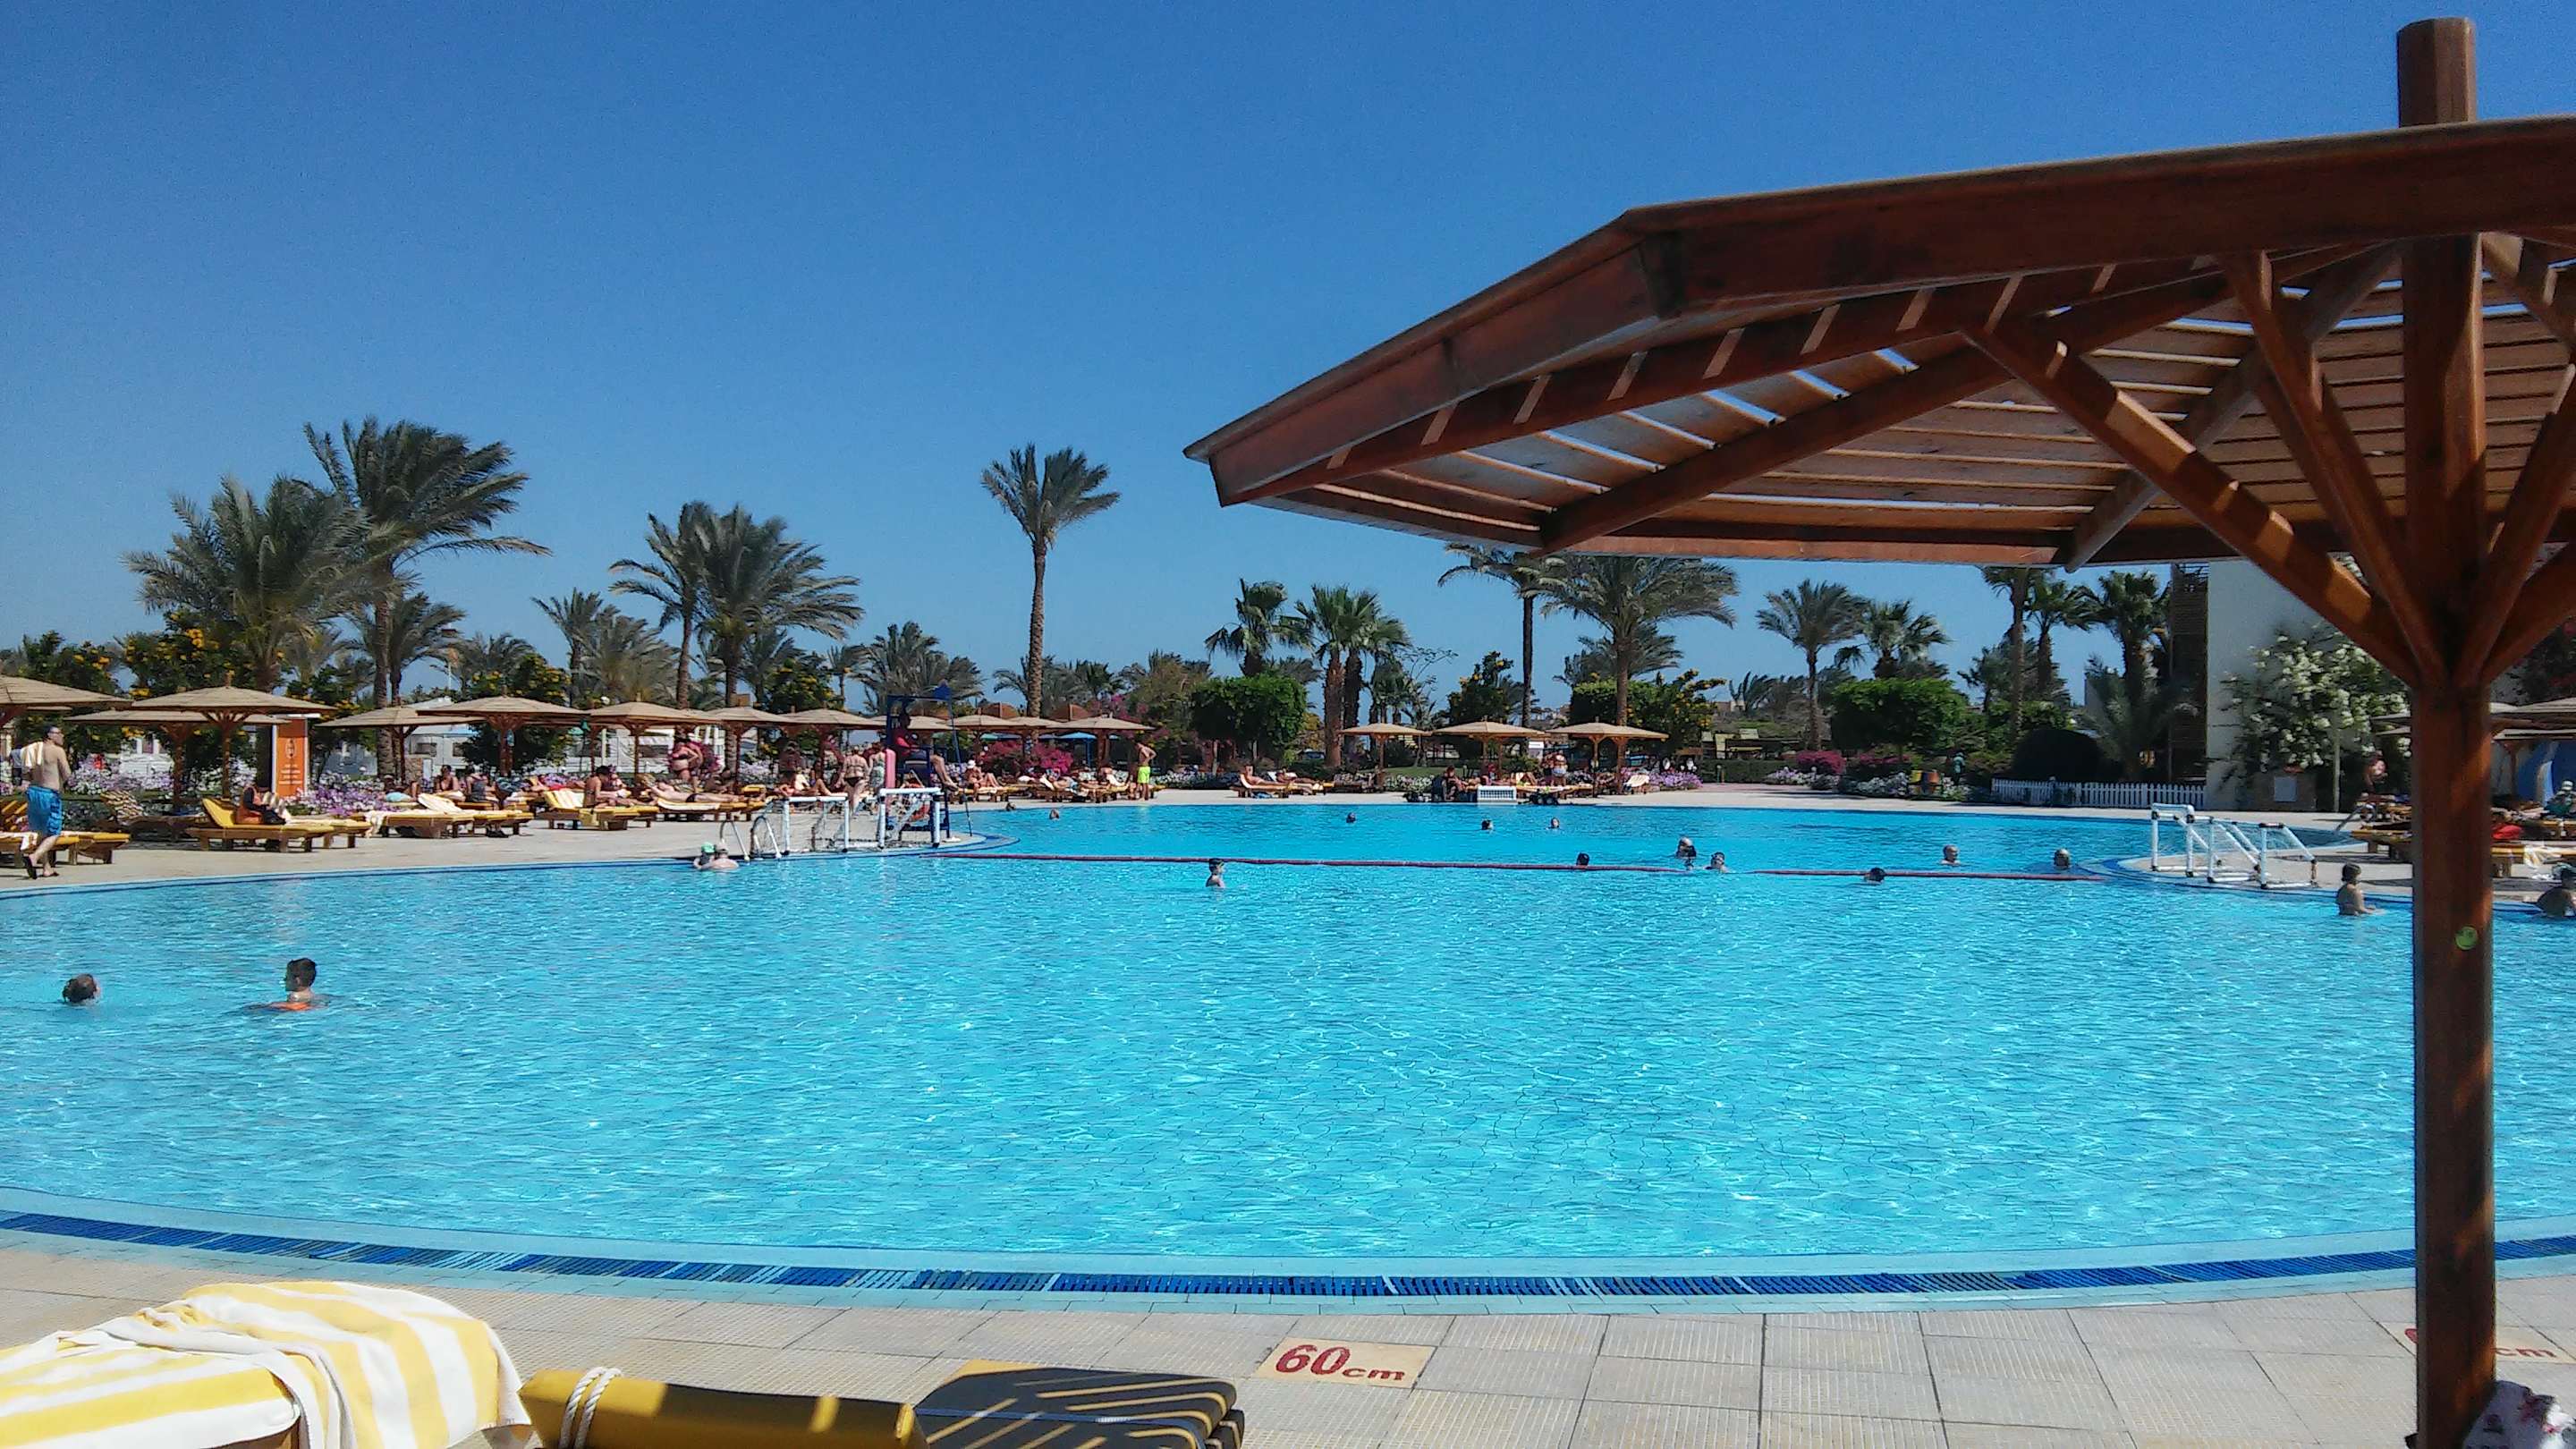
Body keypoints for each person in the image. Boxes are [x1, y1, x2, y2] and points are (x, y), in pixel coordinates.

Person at [14, 724, 71, 878]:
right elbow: (67, 773)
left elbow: (27, 773)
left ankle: (47, 868)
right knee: (54, 833)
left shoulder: (33, 750)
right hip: (49, 794)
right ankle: (34, 857)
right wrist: (61, 783)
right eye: (59, 733)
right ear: (50, 735)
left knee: (41, 832)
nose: (62, 736)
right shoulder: (57, 751)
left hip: (34, 792)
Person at [251, 958, 322, 1013]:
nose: (284, 980)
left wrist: (268, 1006)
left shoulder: (295, 996)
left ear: (297, 980)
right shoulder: (314, 996)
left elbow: (295, 1007)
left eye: (287, 977)